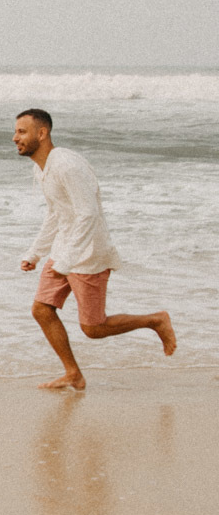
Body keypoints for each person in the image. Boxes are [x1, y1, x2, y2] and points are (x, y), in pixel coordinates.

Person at [12, 108, 176, 390]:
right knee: (41, 309)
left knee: (93, 328)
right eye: (15, 131)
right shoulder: (41, 168)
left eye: (22, 132)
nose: (15, 138)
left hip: (88, 254)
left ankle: (155, 320)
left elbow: (88, 215)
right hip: (66, 250)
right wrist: (35, 253)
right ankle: (73, 373)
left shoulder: (67, 165)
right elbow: (56, 213)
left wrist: (68, 260)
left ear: (42, 133)